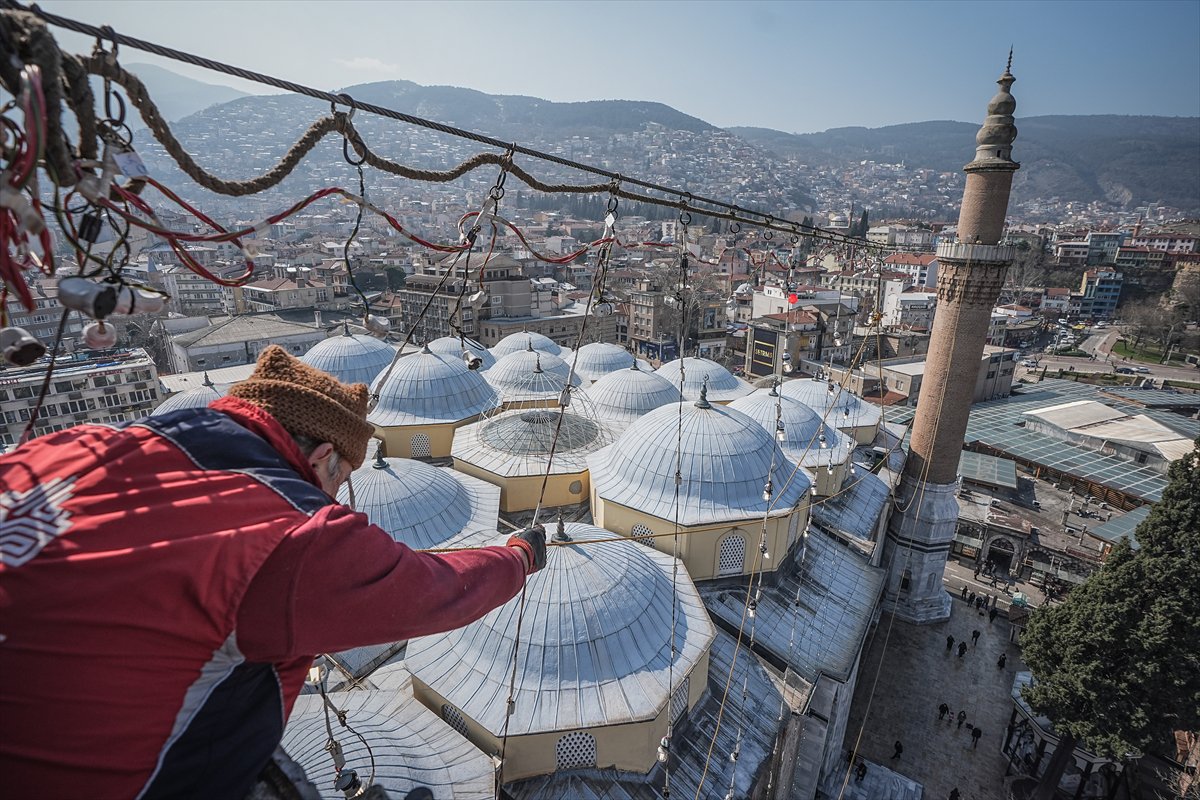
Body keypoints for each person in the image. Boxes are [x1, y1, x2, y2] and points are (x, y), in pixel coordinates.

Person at [0, 346, 549, 798]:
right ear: (322, 457)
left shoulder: (77, 446)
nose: (335, 497)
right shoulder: (290, 536)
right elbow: (435, 590)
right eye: (340, 479)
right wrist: (519, 555)